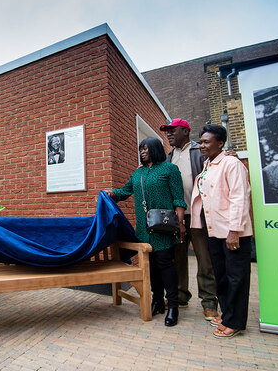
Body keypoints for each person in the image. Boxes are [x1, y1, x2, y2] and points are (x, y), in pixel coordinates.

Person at [108, 137, 186, 327]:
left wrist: (181, 223)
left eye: (146, 148)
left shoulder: (170, 169)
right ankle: (157, 301)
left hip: (164, 227)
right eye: (141, 149)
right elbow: (124, 191)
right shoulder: (138, 174)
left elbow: (178, 199)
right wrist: (111, 194)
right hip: (144, 228)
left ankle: (173, 306)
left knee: (165, 264)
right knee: (150, 266)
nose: (143, 152)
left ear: (156, 149)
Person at [191, 124, 253, 339]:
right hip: (214, 232)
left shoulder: (231, 164)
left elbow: (239, 197)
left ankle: (235, 322)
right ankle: (228, 314)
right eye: (200, 142)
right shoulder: (208, 164)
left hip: (233, 234)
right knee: (222, 276)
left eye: (206, 142)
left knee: (237, 277)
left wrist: (234, 230)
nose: (202, 146)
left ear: (220, 143)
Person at [160, 119, 218, 322]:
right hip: (177, 216)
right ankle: (181, 296)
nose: (169, 134)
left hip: (199, 214)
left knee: (205, 259)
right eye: (166, 132)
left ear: (185, 131)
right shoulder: (169, 156)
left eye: (172, 130)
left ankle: (209, 302)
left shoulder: (198, 150)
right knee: (178, 259)